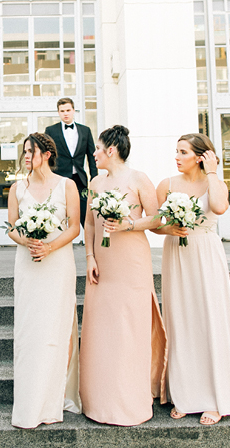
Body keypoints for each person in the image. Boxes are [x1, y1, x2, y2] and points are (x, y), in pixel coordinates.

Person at [79, 125, 167, 426]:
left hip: (131, 261)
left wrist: (129, 225)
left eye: (98, 149)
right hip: (104, 262)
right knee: (102, 329)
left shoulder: (138, 179)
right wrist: (90, 257)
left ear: (111, 151)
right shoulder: (95, 182)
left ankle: (130, 400)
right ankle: (100, 400)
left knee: (130, 327)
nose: (94, 154)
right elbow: (90, 224)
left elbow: (156, 219)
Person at [154, 133, 230, 425]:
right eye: (176, 151)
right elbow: (157, 223)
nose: (177, 157)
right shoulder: (166, 184)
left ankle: (216, 398)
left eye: (183, 152)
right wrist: (169, 231)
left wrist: (214, 171)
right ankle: (184, 394)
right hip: (177, 255)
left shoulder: (214, 182)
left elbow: (218, 207)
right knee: (181, 320)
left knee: (210, 321)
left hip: (205, 253)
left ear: (200, 156)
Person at [6, 133, 82, 428]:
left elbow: (74, 227)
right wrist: (27, 242)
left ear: (47, 154)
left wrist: (50, 246)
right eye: (24, 152)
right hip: (28, 264)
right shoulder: (17, 188)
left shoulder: (68, 186)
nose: (26, 157)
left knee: (55, 326)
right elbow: (11, 228)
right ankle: (30, 401)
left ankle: (55, 399)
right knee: (30, 330)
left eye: (31, 151)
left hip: (57, 263)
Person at [45, 97, 97, 228]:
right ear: (58, 112)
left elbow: (91, 157)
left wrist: (95, 180)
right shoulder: (51, 131)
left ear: (74, 110)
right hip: (58, 179)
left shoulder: (85, 130)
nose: (65, 113)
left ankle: (92, 246)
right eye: (62, 111)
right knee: (57, 215)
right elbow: (46, 156)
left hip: (80, 180)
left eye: (68, 110)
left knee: (86, 216)